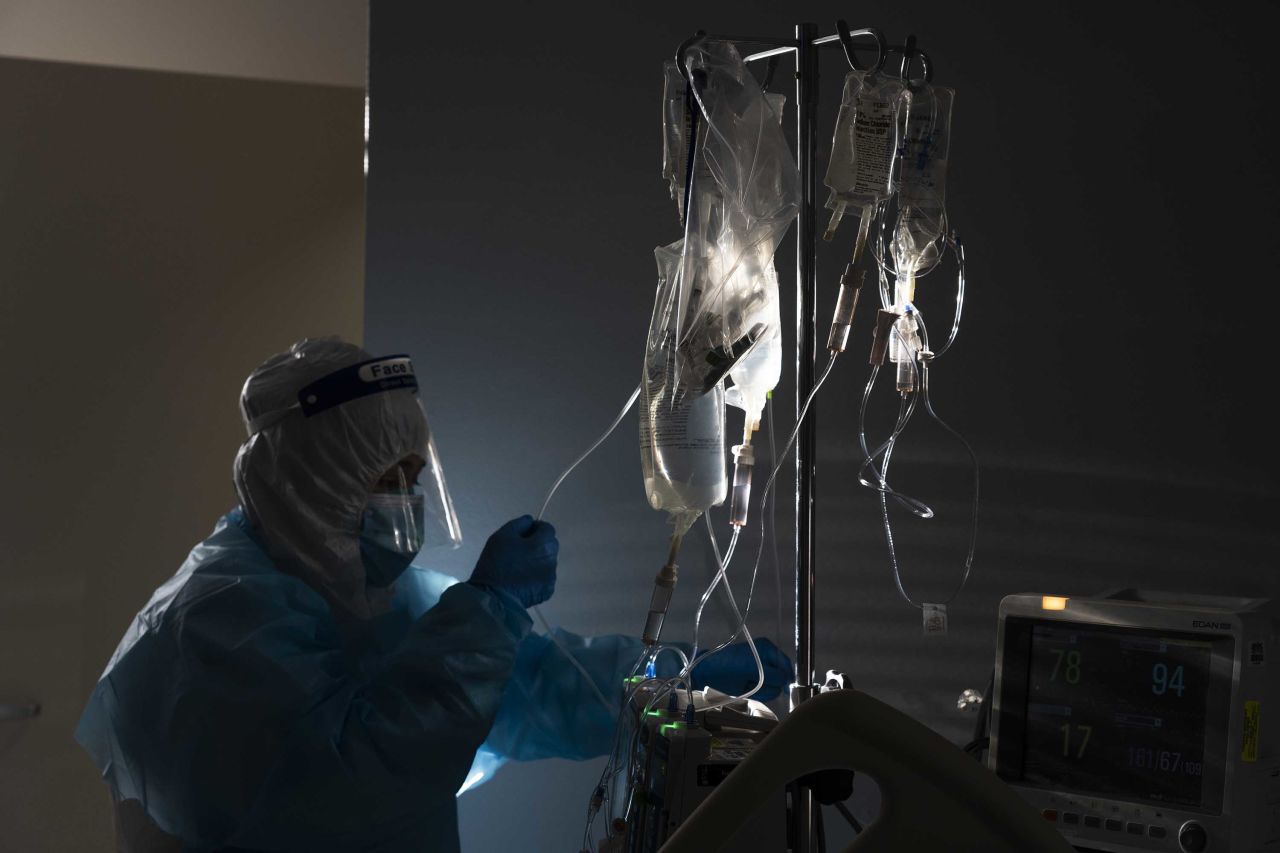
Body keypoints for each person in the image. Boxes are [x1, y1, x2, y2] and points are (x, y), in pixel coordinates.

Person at [75, 337, 792, 853]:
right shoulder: (210, 625)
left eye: (415, 475)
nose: (409, 500)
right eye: (391, 476)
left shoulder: (375, 595)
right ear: (315, 477)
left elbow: (533, 689)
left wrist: (685, 685)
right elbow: (351, 784)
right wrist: (488, 611)